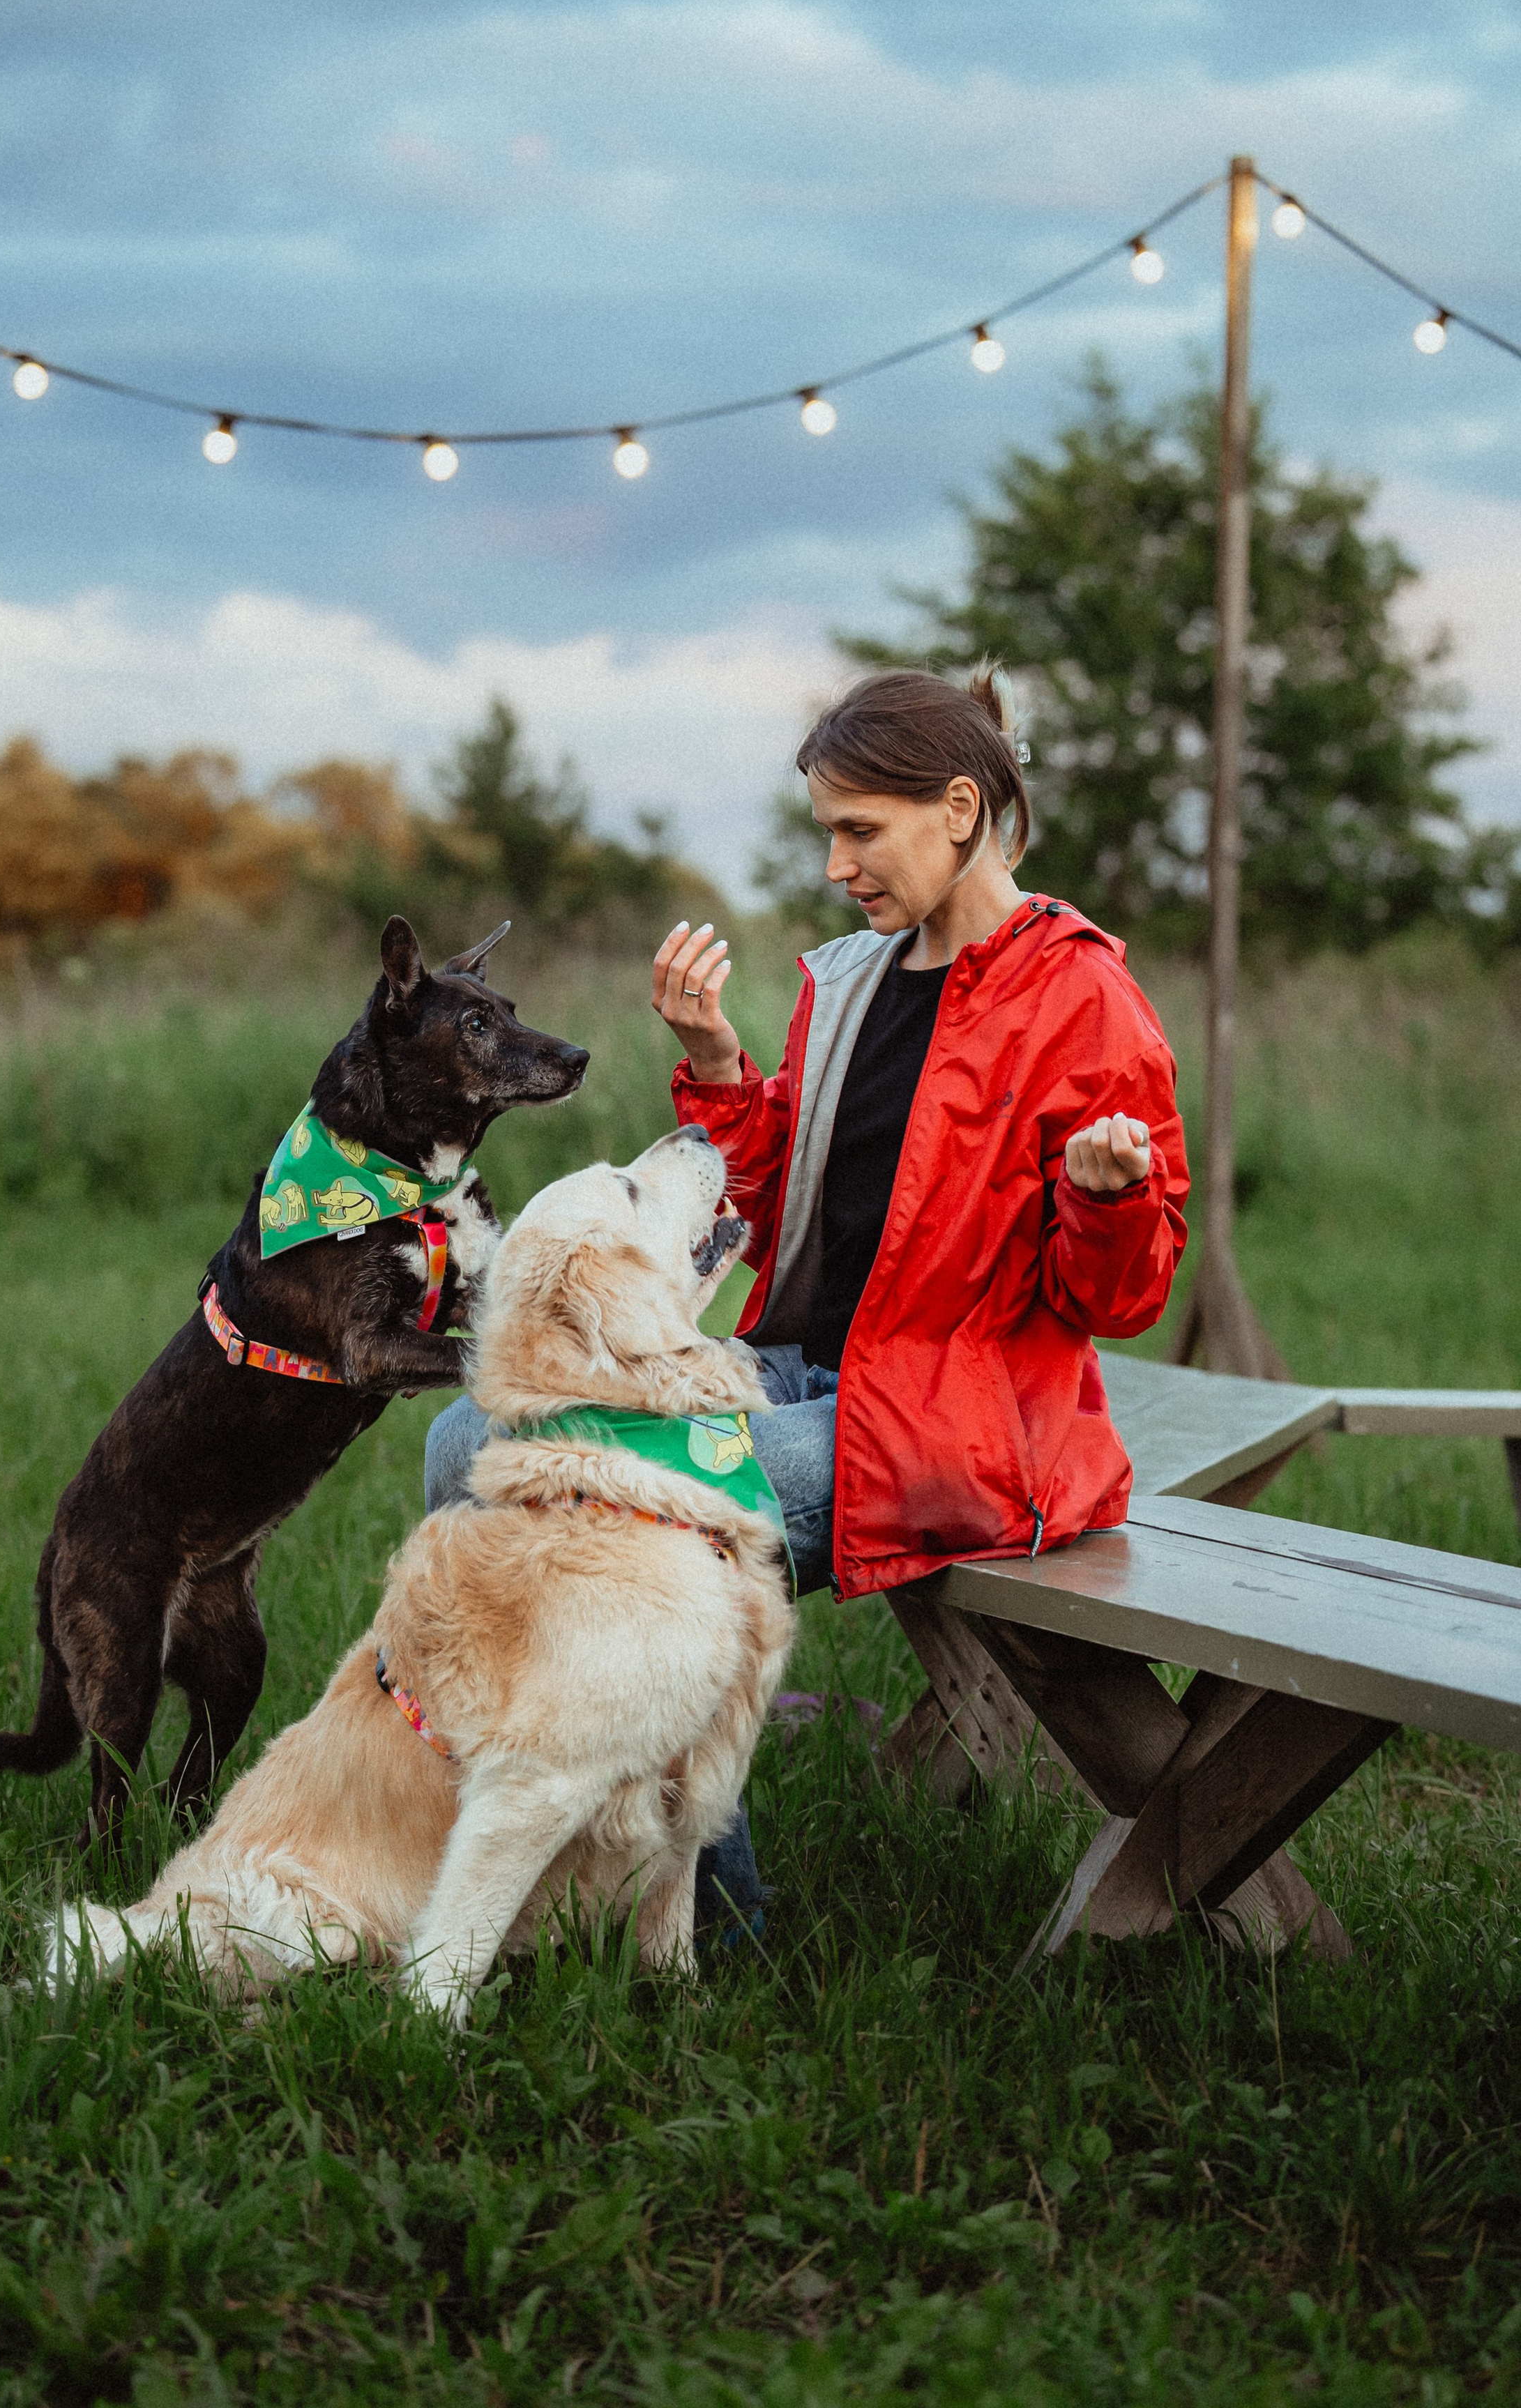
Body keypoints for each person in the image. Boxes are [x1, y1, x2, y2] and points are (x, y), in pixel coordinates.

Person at [424, 663, 1189, 1923]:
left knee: (650, 1513)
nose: (838, 865)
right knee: (473, 1437)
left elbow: (1121, 1298)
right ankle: (543, 1833)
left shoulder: (1081, 999)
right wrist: (720, 1065)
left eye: (859, 830)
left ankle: (707, 1923)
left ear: (958, 808)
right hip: (814, 1371)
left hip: (970, 1423)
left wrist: (1107, 1198)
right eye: (826, 831)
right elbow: (777, 1217)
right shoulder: (849, 982)